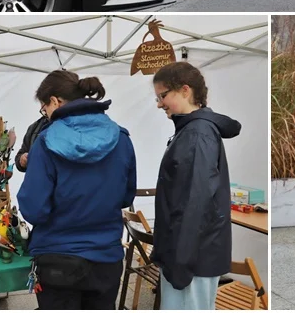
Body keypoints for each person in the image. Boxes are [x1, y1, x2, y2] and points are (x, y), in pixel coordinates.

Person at [17, 70, 137, 310]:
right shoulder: (121, 138)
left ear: (54, 101)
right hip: (106, 257)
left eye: (44, 109)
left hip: (57, 259)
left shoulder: (45, 141)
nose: (46, 115)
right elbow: (126, 197)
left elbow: (33, 210)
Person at [151, 62, 242, 310]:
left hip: (191, 257)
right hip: (189, 253)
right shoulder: (192, 130)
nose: (159, 103)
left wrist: (181, 262)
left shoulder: (196, 134)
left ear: (185, 90)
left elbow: (195, 201)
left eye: (162, 96)